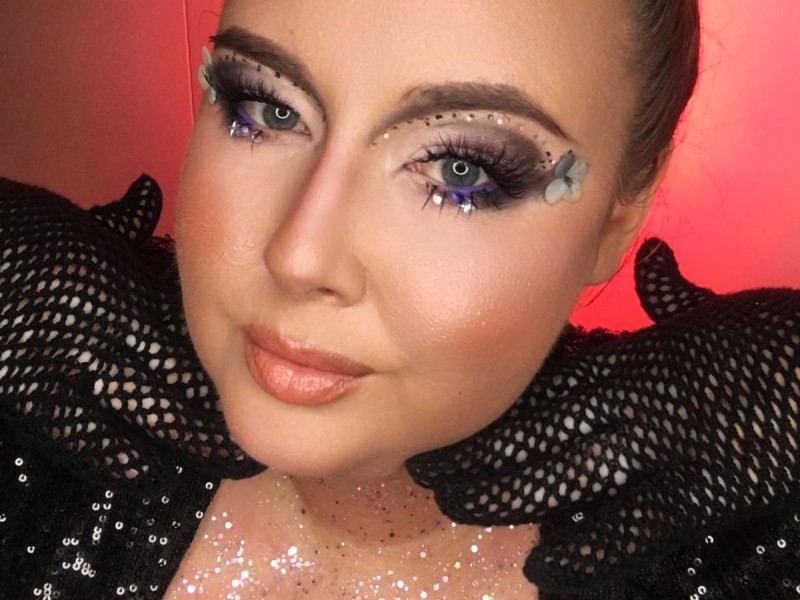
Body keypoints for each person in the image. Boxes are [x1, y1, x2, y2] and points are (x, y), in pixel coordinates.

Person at [0, 1, 797, 599]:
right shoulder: (39, 416)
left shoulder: (738, 549)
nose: (298, 257)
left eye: (460, 170)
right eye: (266, 109)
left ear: (620, 213)